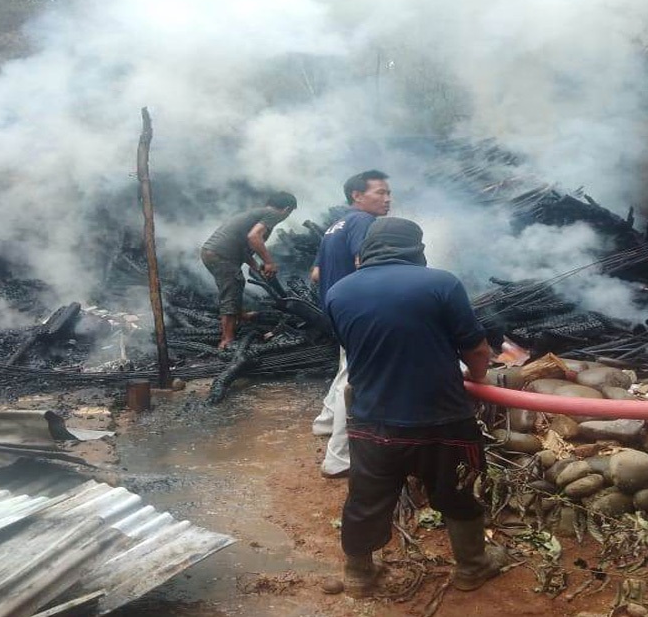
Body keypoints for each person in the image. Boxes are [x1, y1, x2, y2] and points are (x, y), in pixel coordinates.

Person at [323, 217, 506, 598]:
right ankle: (472, 567)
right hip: (442, 419)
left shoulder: (338, 292)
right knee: (457, 493)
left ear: (367, 249)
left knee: (366, 499)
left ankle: (358, 575)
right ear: (416, 248)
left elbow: (354, 348)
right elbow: (475, 347)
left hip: (372, 420)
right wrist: (479, 379)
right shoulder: (441, 283)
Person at [310, 170, 392, 479]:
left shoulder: (335, 226)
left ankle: (325, 422)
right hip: (359, 312)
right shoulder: (363, 222)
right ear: (357, 196)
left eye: (388, 193)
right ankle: (339, 458)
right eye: (380, 192)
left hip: (337, 309)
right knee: (354, 379)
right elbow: (365, 261)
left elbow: (316, 274)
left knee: (345, 366)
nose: (387, 199)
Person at [200, 191, 296, 349]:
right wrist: (269, 262)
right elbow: (253, 237)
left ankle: (240, 315)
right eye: (290, 213)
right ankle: (227, 340)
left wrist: (256, 267)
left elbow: (244, 248)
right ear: (286, 209)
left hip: (214, 253)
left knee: (237, 284)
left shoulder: (258, 212)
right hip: (221, 255)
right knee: (231, 289)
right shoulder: (272, 214)